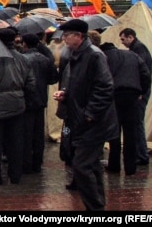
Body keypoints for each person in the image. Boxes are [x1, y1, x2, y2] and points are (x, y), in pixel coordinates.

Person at [53, 19, 116, 211]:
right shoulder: (76, 55)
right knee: (92, 166)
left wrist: (90, 114)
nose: (64, 39)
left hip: (93, 121)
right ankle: (97, 206)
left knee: (81, 166)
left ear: (79, 36)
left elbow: (105, 87)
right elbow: (81, 85)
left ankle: (94, 208)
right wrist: (66, 94)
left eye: (67, 35)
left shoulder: (94, 55)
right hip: (80, 118)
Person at [0, 27, 36, 185]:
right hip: (18, 105)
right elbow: (31, 85)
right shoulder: (24, 59)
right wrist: (25, 101)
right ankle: (15, 175)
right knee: (16, 142)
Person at [98, 34, 151, 175]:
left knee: (114, 131)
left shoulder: (103, 57)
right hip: (132, 96)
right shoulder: (132, 55)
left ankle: (114, 164)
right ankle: (130, 167)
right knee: (130, 132)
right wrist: (142, 91)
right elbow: (146, 74)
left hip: (113, 96)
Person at [20, 33, 59, 174]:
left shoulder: (22, 59)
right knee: (38, 134)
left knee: (26, 133)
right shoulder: (45, 60)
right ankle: (37, 162)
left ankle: (26, 163)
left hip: (26, 100)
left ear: (24, 44)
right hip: (41, 99)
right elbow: (54, 78)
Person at [119, 28, 152, 166]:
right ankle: (140, 154)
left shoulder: (138, 50)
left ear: (130, 37)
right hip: (141, 91)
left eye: (123, 39)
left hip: (140, 92)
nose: (122, 43)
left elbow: (142, 72)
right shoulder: (138, 49)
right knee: (136, 124)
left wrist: (140, 91)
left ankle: (142, 155)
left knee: (137, 123)